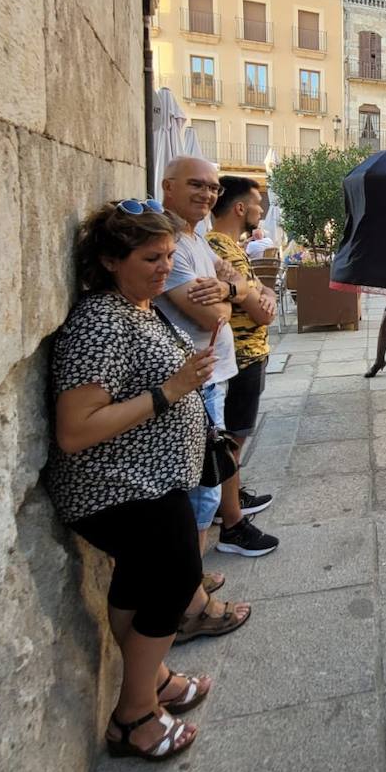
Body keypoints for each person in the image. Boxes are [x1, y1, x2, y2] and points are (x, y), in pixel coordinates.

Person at [45, 200, 251, 761]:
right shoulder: (102, 322)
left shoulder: (137, 306)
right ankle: (133, 715)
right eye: (150, 257)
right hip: (119, 487)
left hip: (149, 480)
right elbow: (74, 430)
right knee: (173, 581)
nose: (165, 268)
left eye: (167, 256)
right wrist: (172, 390)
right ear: (112, 260)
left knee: (141, 581)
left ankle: (152, 679)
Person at [159, 157, 274, 558]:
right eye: (197, 184)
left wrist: (232, 291)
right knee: (207, 482)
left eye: (212, 187)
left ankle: (196, 575)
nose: (208, 193)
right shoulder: (175, 245)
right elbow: (226, 312)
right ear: (167, 186)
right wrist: (232, 296)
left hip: (218, 370)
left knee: (218, 464)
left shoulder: (197, 241)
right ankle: (195, 581)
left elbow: (256, 292)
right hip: (204, 374)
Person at [206, 176, 281, 557]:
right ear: (239, 208)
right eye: (257, 204)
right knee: (233, 441)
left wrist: (260, 292)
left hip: (246, 355)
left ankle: (231, 496)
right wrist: (258, 295)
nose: (261, 210)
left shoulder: (231, 248)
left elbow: (260, 291)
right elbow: (260, 310)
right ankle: (232, 525)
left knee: (236, 438)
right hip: (242, 357)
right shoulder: (219, 249)